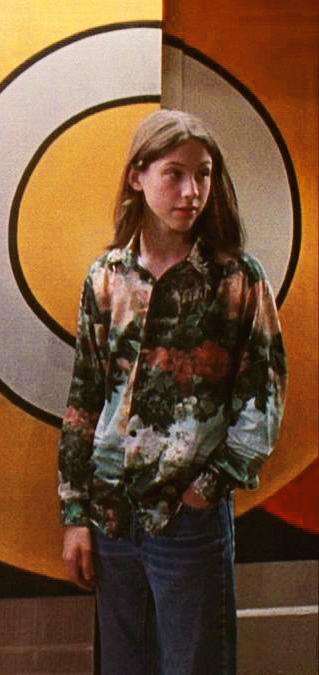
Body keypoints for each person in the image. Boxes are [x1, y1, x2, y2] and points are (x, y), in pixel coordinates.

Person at [58, 109, 287, 674]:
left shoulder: (237, 278)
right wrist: (75, 514)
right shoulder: (106, 277)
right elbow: (85, 399)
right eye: (174, 174)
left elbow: (263, 397)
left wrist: (207, 489)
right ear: (137, 176)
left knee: (195, 664)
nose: (192, 192)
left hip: (188, 516)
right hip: (112, 516)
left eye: (203, 175)